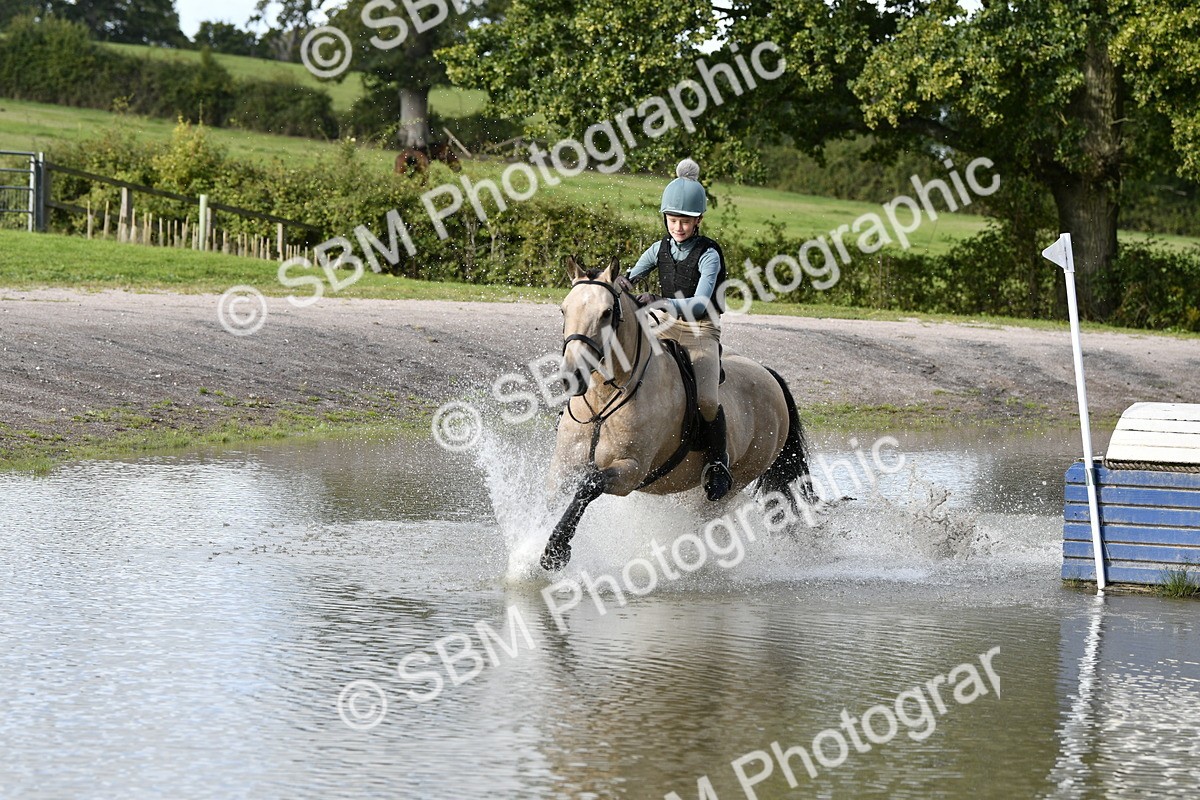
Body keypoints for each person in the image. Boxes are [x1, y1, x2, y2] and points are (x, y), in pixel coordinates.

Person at [615, 159, 732, 501]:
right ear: (665, 218)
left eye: (685, 221)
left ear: (698, 220)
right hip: (664, 326)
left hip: (701, 331)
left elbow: (699, 303)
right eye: (672, 219)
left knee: (707, 400)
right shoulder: (659, 248)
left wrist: (661, 301)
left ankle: (718, 462)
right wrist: (623, 281)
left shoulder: (709, 254)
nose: (678, 227)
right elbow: (633, 275)